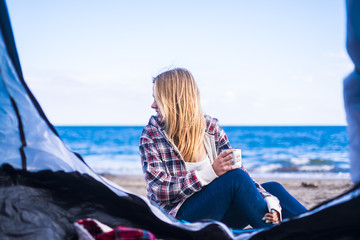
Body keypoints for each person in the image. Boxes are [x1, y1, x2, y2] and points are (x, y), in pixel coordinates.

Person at [139, 68, 307, 229]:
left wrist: (270, 201)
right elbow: (160, 191)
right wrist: (211, 172)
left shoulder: (211, 128)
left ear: (175, 99)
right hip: (175, 220)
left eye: (157, 98)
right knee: (236, 178)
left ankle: (321, 228)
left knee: (273, 189)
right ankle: (279, 233)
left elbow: (240, 171)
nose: (152, 105)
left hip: (216, 215)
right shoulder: (151, 134)